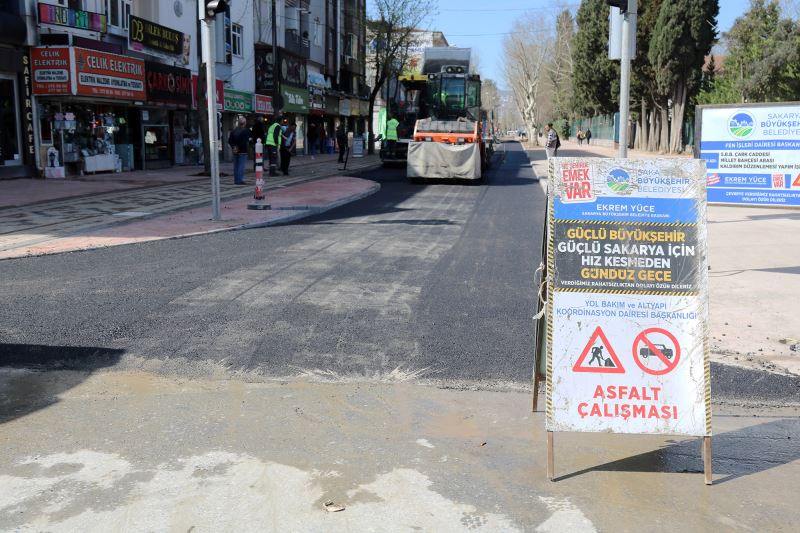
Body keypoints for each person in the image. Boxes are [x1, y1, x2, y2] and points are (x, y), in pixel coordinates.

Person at [227, 116, 250, 184]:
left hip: (235, 151)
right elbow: (244, 141)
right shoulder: (245, 131)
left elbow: (229, 141)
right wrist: (238, 147)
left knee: (236, 166)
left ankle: (236, 180)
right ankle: (240, 180)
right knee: (241, 166)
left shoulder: (233, 131)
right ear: (244, 123)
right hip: (242, 151)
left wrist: (234, 147)